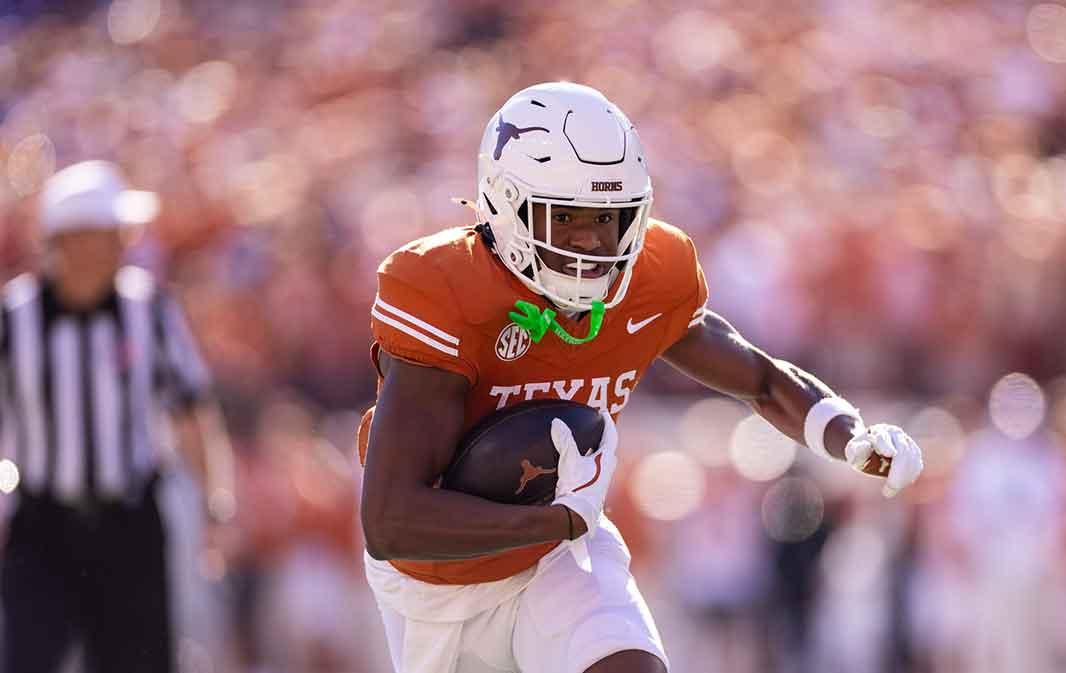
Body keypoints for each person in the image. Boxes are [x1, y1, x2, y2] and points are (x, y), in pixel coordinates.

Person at [357, 82, 925, 673]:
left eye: (609, 219)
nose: (592, 243)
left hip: (561, 557)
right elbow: (393, 520)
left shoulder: (651, 276)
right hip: (438, 586)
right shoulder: (444, 288)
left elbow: (758, 378)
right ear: (505, 205)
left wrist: (848, 434)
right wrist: (556, 517)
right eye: (567, 218)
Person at [0, 161, 235, 673]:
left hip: (130, 524)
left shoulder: (148, 308)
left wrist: (214, 505)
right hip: (42, 526)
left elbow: (191, 411)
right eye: (111, 233)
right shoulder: (13, 318)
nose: (124, 243)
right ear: (73, 241)